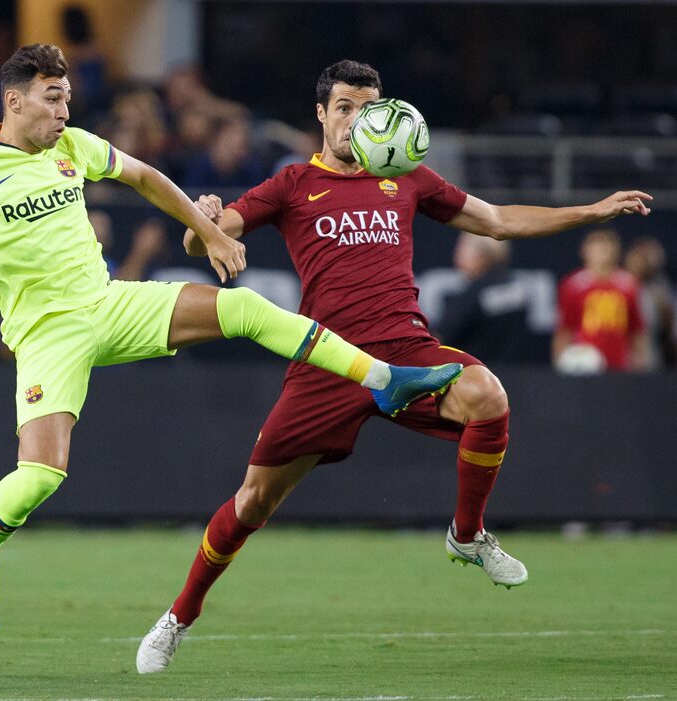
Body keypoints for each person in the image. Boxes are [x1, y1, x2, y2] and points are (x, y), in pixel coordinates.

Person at [0, 45, 462, 639]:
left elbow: (145, 176)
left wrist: (208, 230)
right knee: (41, 476)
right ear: (14, 101)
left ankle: (385, 379)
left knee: (241, 307)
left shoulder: (73, 146)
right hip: (45, 334)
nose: (63, 110)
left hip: (109, 305)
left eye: (67, 98)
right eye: (52, 98)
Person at [135, 59, 653, 674]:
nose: (359, 120)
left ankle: (467, 534)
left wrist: (589, 213)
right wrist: (202, 222)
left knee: (488, 396)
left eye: (369, 107)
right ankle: (178, 617)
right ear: (322, 114)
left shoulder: (407, 177)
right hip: (326, 359)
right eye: (346, 107)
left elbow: (495, 221)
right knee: (251, 504)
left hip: (403, 347)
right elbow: (209, 238)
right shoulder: (294, 183)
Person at [553, 228, 647, 372]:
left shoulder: (629, 285)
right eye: (597, 243)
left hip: (619, 366)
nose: (602, 249)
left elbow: (637, 332)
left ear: (616, 249)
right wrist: (559, 364)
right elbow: (564, 331)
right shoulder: (573, 285)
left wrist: (640, 367)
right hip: (584, 367)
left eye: (607, 243)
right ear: (585, 250)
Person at [436, 232, 531, 363]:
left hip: (477, 374)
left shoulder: (473, 294)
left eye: (462, 247)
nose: (456, 253)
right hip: (515, 375)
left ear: (479, 256)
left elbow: (442, 337)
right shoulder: (518, 289)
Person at [623, 236, 676, 369]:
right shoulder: (619, 284)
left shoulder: (661, 288)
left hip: (650, 356)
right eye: (641, 257)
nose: (645, 262)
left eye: (650, 258)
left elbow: (671, 331)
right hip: (620, 355)